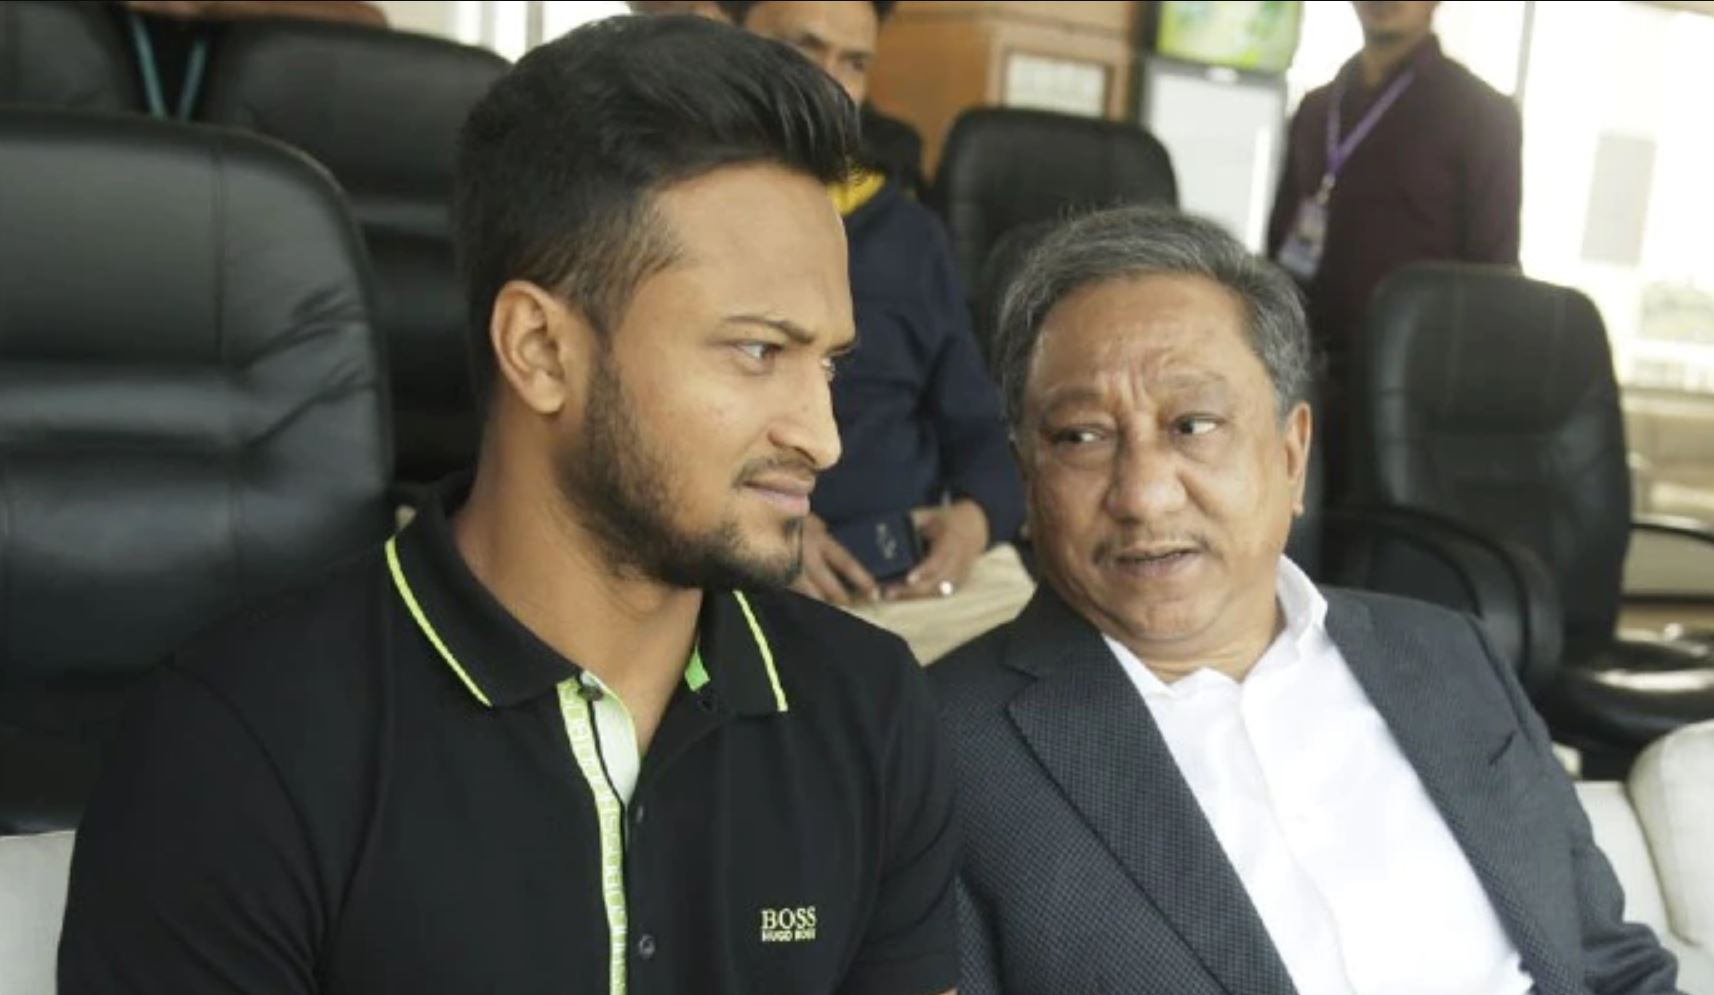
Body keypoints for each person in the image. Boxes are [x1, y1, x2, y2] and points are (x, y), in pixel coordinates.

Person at [59, 17, 957, 995]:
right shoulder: (236, 745)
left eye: (828, 363)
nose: (823, 436)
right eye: (757, 350)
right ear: (539, 349)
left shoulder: (870, 710)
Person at [932, 206, 1680, 995]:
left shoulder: (1449, 653)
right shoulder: (941, 747)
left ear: (1291, 455)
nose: (1145, 494)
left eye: (1193, 424)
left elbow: (1613, 964)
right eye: (1082, 436)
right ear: (1027, 474)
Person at [720, 0, 1031, 664]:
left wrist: (973, 522)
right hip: (751, 562)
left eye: (854, 63)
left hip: (914, 569)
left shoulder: (910, 235)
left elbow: (978, 427)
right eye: (803, 49)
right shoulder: (677, 216)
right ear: (727, 37)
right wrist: (768, 525)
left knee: (1054, 685)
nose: (831, 84)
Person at [1266, 0, 1521, 490]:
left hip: (1411, 389)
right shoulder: (1318, 108)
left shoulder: (1481, 113)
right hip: (1307, 374)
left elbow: (1496, 274)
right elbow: (1280, 242)